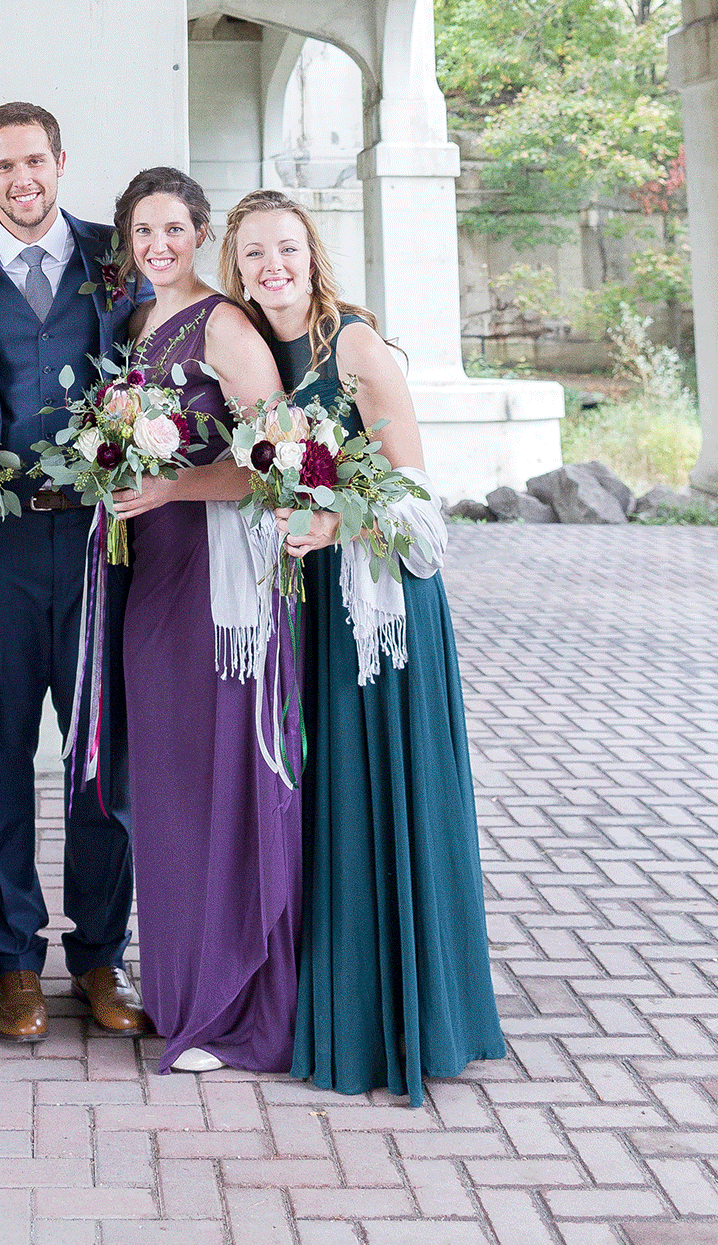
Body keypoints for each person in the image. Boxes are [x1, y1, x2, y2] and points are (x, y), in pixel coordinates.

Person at [222, 188, 505, 1107]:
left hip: (382, 616)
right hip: (312, 612)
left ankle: (411, 1020)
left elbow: (422, 511)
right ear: (237, 267)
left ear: (312, 254)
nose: (273, 265)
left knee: (384, 801)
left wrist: (335, 523)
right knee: (331, 809)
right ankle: (343, 1006)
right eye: (254, 252)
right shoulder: (256, 359)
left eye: (287, 248)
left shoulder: (354, 348)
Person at [0, 103, 147, 1042]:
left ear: (61, 160)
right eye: (3, 165)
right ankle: (12, 960)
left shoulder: (118, 254)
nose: (22, 178)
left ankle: (100, 953)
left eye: (35, 160)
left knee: (102, 755)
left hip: (103, 542)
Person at [107, 167, 302, 1073]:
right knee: (166, 784)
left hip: (217, 582)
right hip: (151, 576)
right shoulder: (134, 326)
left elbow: (279, 457)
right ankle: (180, 986)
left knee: (217, 772)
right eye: (143, 231)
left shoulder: (225, 324)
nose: (159, 245)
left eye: (174, 229)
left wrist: (172, 486)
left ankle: (231, 1001)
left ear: (200, 234)